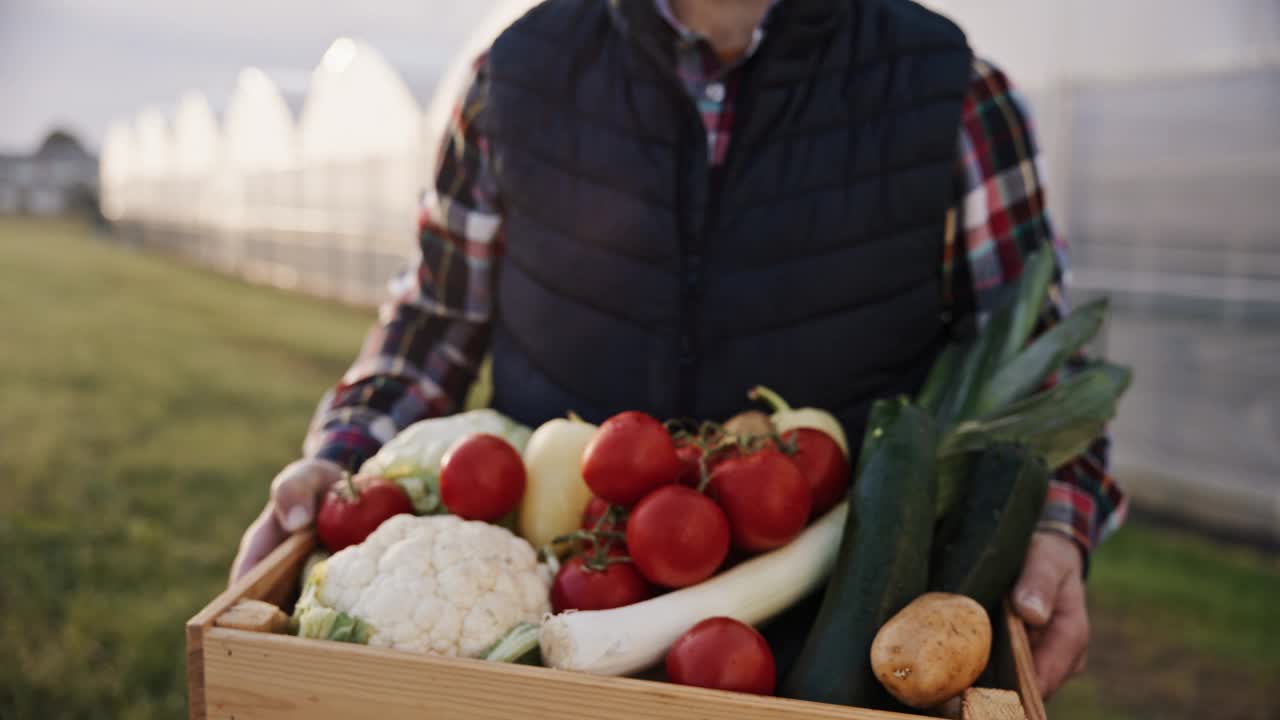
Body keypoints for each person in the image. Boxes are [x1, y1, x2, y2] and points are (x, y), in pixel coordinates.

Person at [231, 0, 1125, 699]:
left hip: (839, 645)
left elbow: (1044, 368)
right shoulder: (514, 74)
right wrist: (338, 462)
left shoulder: (954, 92)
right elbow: (434, 321)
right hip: (549, 624)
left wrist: (1054, 528)